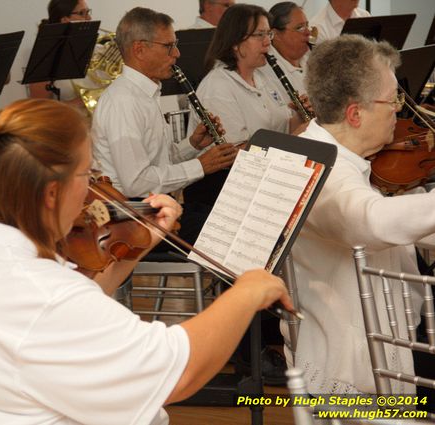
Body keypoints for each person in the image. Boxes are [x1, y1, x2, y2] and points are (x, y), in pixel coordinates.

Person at [0, 97, 292, 424]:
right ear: (51, 192)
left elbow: (74, 312)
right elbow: (179, 372)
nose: (94, 188)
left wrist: (138, 247)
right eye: (87, 173)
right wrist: (246, 292)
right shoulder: (40, 294)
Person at [285, 34, 435, 395]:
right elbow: (371, 221)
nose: (400, 109)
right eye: (393, 99)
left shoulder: (340, 155)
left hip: (392, 334)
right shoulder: (319, 171)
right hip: (357, 372)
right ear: (355, 113)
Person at [92, 7, 237, 245]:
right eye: (168, 46)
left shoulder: (144, 94)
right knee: (227, 231)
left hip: (149, 210)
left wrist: (192, 146)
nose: (177, 53)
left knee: (227, 219)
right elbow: (137, 182)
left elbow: (158, 163)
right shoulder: (124, 102)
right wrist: (201, 165)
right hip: (129, 221)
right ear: (139, 49)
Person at [183, 4, 306, 209]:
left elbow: (281, 128)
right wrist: (290, 145)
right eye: (259, 35)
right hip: (225, 190)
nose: (268, 42)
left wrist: (301, 119)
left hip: (263, 180)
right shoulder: (218, 86)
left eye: (268, 34)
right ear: (235, 42)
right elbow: (235, 152)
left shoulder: (261, 77)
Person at [28, 0, 99, 110]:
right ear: (65, 20)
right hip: (71, 123)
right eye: (82, 13)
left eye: (88, 12)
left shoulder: (98, 49)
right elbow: (39, 110)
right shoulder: (46, 58)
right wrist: (84, 100)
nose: (89, 18)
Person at [263, 2, 311, 102]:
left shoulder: (314, 58)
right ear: (275, 34)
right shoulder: (265, 70)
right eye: (300, 28)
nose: (308, 32)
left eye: (307, 25)